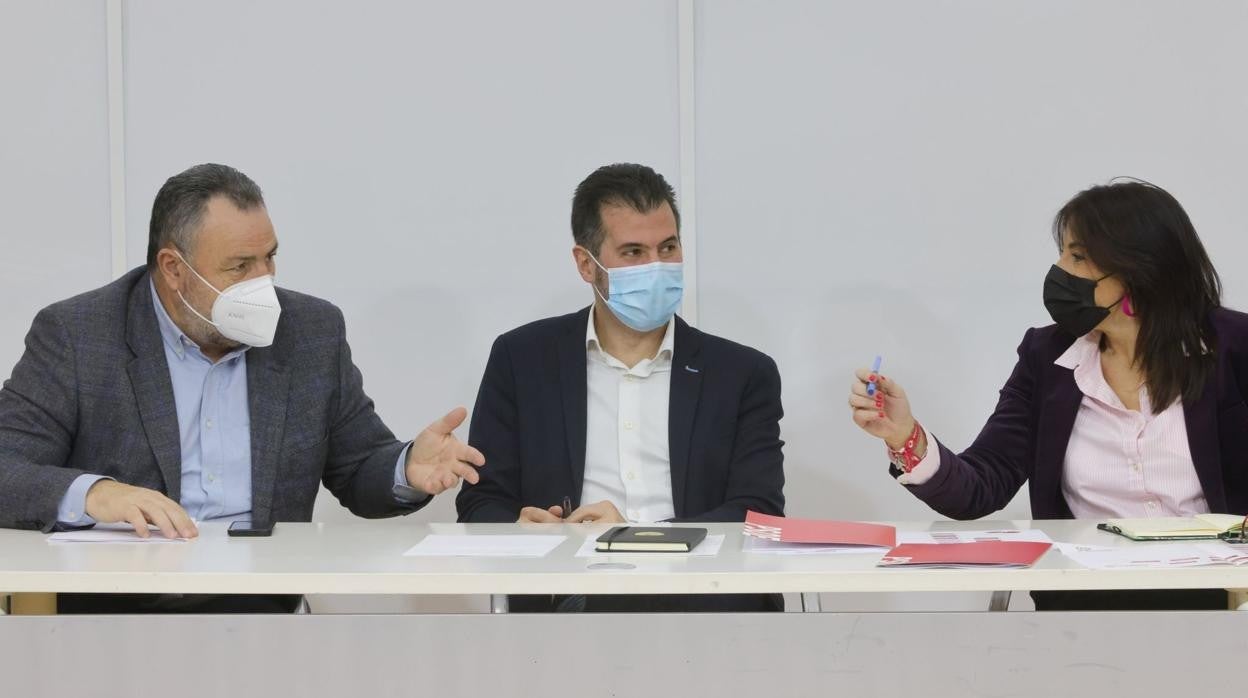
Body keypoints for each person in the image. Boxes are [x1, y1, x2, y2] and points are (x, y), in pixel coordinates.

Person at [0, 163, 484, 613]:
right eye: (239, 267)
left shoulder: (309, 330)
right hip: (116, 611)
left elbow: (357, 466)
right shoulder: (80, 334)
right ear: (173, 269)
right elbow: (6, 468)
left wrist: (406, 468)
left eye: (269, 259)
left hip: (261, 606)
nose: (262, 282)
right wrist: (96, 493)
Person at [848, 179, 1246, 610]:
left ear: (1137, 270)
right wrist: (904, 435)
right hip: (1087, 601)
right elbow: (982, 485)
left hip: (1225, 596)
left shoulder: (1236, 348)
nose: (1059, 271)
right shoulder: (1047, 356)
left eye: (1077, 256)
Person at [457, 163, 785, 612]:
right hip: (572, 595)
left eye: (667, 247)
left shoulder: (742, 372)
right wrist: (520, 527)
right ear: (585, 264)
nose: (656, 266)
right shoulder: (522, 359)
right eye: (633, 252)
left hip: (706, 595)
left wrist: (633, 537)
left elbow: (759, 513)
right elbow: (480, 502)